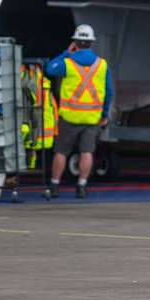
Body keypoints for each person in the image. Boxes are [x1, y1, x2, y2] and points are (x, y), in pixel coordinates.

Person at [44, 24, 113, 200]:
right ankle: (81, 186)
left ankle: (55, 186)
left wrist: (66, 52)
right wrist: (104, 115)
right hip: (91, 117)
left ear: (75, 42)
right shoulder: (102, 65)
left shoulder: (68, 63)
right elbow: (109, 92)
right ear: (92, 43)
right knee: (86, 152)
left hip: (69, 116)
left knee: (61, 151)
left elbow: (50, 68)